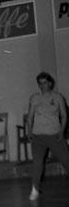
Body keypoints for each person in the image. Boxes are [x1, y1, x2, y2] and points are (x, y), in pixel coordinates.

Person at [26, 71, 69, 200]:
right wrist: (29, 131)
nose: (42, 86)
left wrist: (62, 132)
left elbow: (64, 116)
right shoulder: (34, 98)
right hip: (38, 136)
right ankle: (35, 189)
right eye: (40, 83)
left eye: (45, 83)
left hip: (55, 135)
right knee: (37, 163)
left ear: (50, 83)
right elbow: (30, 117)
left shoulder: (58, 97)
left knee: (66, 160)